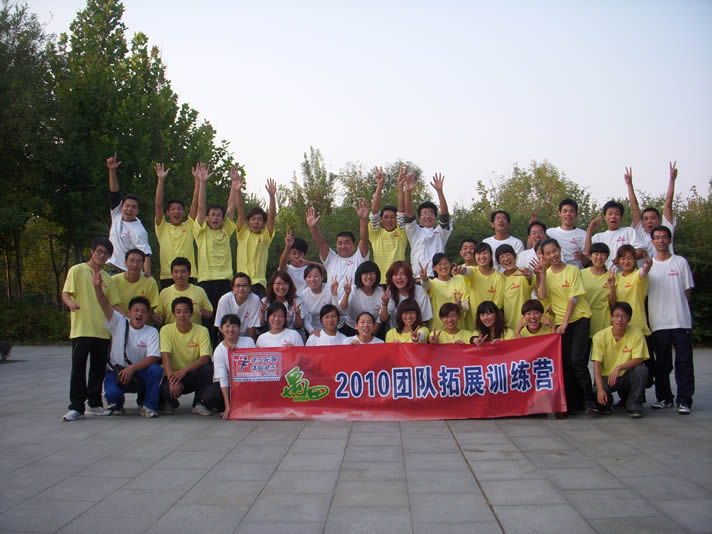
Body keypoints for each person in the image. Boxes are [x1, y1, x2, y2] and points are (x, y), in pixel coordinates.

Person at [535, 238, 594, 415]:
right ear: (543, 256)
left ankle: (589, 400)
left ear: (560, 250)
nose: (552, 255)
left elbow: (573, 298)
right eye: (548, 253)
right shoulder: (547, 274)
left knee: (577, 359)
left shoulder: (573, 270)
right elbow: (542, 296)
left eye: (555, 251)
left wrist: (565, 323)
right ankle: (571, 402)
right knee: (565, 362)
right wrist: (542, 275)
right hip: (561, 322)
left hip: (579, 319)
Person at [93, 273, 162, 418]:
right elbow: (104, 305)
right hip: (117, 371)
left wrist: (132, 368)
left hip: (139, 372)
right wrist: (97, 288)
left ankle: (149, 406)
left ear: (148, 315)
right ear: (129, 312)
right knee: (113, 395)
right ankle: (117, 403)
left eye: (143, 311)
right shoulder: (119, 322)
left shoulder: (151, 331)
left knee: (155, 370)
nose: (139, 314)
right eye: (136, 310)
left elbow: (154, 357)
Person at [61, 237, 115, 421]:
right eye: (99, 251)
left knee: (98, 369)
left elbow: (112, 304)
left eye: (106, 253)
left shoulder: (108, 278)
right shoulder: (77, 270)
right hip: (82, 329)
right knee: (78, 368)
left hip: (102, 330)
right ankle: (76, 406)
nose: (102, 255)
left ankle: (94, 403)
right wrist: (70, 303)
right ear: (92, 251)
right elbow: (65, 293)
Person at [647, 225, 695, 414]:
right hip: (658, 322)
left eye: (664, 237)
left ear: (669, 240)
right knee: (662, 363)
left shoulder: (680, 262)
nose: (661, 241)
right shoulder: (648, 266)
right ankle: (664, 397)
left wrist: (678, 307)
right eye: (657, 238)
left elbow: (687, 291)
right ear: (652, 241)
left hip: (680, 321)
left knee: (684, 362)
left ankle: (685, 400)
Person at [193, 162, 239, 317]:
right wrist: (202, 183)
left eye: (219, 215)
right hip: (206, 280)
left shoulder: (226, 229)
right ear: (207, 218)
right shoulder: (201, 232)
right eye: (212, 215)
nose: (216, 218)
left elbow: (231, 207)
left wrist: (234, 185)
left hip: (225, 281)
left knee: (225, 319)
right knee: (208, 318)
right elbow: (200, 208)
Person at [591, 302, 649, 418]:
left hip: (626, 375)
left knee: (641, 370)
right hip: (607, 377)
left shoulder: (637, 334)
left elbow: (638, 359)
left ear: (629, 319)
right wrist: (600, 389)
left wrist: (619, 367)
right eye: (616, 316)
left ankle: (634, 406)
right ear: (611, 318)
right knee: (597, 393)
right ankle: (606, 403)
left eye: (624, 316)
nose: (620, 320)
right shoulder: (600, 336)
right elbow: (597, 365)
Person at [159, 297, 213, 415]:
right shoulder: (166, 330)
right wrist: (172, 380)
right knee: (166, 390)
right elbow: (165, 356)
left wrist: (183, 371)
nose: (182, 315)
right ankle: (171, 403)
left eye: (185, 311)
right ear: (173, 314)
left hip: (192, 373)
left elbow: (205, 358)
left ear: (191, 313)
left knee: (207, 369)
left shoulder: (202, 331)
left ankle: (198, 403)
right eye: (178, 312)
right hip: (173, 374)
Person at [306, 200, 369, 300]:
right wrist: (313, 228)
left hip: (355, 305)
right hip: (332, 305)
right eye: (339, 243)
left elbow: (364, 240)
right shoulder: (331, 258)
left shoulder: (359, 257)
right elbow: (321, 243)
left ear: (354, 244)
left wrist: (363, 220)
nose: (343, 246)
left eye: (346, 243)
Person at [202, 314, 256, 419]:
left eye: (234, 326)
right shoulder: (219, 350)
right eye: (227, 326)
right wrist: (228, 407)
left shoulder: (248, 342)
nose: (231, 329)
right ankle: (227, 406)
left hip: (247, 383)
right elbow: (223, 379)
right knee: (209, 397)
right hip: (229, 384)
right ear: (221, 329)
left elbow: (254, 366)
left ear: (239, 328)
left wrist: (239, 353)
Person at [233, 167, 277, 297]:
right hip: (241, 282)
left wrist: (272, 196)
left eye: (259, 219)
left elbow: (272, 216)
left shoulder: (266, 237)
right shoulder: (242, 233)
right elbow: (240, 211)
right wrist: (237, 191)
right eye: (253, 219)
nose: (256, 222)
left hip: (258, 284)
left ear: (263, 222)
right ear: (249, 221)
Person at [154, 162, 198, 289]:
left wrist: (198, 180)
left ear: (183, 212)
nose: (176, 212)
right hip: (167, 276)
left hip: (188, 275)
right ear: (168, 212)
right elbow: (158, 205)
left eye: (179, 209)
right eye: (173, 209)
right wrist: (161, 180)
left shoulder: (189, 226)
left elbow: (195, 203)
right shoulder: (162, 227)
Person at [106, 153, 151, 276]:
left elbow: (146, 253)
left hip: (128, 273)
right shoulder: (116, 214)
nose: (129, 209)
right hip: (112, 270)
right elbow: (114, 191)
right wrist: (112, 170)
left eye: (133, 207)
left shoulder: (139, 230)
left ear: (137, 211)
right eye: (127, 206)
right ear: (122, 207)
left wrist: (147, 274)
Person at [625, 163, 677, 264]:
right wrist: (629, 184)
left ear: (659, 220)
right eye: (646, 219)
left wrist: (672, 179)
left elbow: (668, 205)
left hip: (666, 269)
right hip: (644, 273)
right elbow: (635, 208)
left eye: (653, 218)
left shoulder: (665, 230)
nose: (649, 221)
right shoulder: (639, 232)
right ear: (642, 221)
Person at [403, 172, 452, 280]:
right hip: (418, 278)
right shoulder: (414, 231)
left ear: (435, 217)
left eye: (431, 213)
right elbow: (409, 214)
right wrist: (408, 192)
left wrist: (439, 191)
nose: (427, 216)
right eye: (424, 214)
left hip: (438, 278)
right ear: (419, 218)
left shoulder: (441, 232)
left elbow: (444, 215)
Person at [369, 166, 407, 284]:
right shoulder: (376, 234)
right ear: (381, 220)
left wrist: (400, 186)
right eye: (386, 217)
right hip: (380, 282)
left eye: (392, 217)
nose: (389, 220)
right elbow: (374, 211)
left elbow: (401, 211)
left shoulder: (401, 232)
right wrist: (380, 185)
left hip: (399, 282)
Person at [586, 197, 645, 271]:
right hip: (604, 275)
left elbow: (641, 252)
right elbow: (588, 253)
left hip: (626, 275)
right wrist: (589, 231)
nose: (613, 216)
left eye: (617, 214)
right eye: (610, 214)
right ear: (605, 217)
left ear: (621, 217)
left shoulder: (629, 231)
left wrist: (622, 259)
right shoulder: (598, 236)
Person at [608, 245, 652, 339]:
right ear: (618, 260)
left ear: (635, 260)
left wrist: (647, 267)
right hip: (620, 327)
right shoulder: (616, 277)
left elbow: (643, 272)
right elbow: (612, 302)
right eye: (623, 259)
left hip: (637, 326)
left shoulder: (637, 274)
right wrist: (612, 286)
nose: (626, 262)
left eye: (629, 258)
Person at [455, 243, 503, 329]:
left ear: (491, 255)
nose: (482, 256)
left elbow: (498, 303)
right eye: (479, 254)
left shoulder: (499, 277)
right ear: (475, 256)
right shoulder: (473, 271)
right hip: (472, 322)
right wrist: (461, 270)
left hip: (491, 323)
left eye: (485, 253)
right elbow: (466, 271)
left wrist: (486, 317)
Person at [156, 257, 212, 325]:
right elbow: (159, 316)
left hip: (195, 331)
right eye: (176, 272)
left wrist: (205, 313)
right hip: (171, 331)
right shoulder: (164, 293)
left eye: (183, 272)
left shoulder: (199, 291)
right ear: (171, 273)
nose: (179, 276)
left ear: (189, 273)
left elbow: (209, 312)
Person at [422, 253, 469, 332]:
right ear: (434, 268)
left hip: (458, 329)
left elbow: (466, 306)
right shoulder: (432, 283)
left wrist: (460, 306)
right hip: (438, 329)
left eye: (446, 263)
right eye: (440, 264)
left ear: (450, 264)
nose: (443, 267)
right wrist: (424, 278)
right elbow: (425, 285)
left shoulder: (460, 282)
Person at [108, 249, 159, 318]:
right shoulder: (113, 280)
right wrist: (126, 321)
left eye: (139, 261)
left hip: (140, 321)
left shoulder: (150, 282)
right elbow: (112, 304)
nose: (135, 265)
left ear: (143, 264)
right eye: (131, 261)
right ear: (125, 263)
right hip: (117, 320)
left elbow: (150, 309)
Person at [382, 261, 433, 328]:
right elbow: (383, 319)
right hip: (397, 332)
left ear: (409, 276)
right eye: (395, 275)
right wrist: (384, 304)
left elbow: (424, 320)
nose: (399, 277)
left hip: (418, 331)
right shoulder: (389, 294)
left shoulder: (420, 291)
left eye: (402, 274)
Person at [340, 261, 384, 336]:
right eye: (365, 273)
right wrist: (347, 294)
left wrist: (371, 334)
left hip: (373, 329)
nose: (369, 276)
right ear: (359, 275)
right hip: (352, 328)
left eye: (372, 273)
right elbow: (342, 308)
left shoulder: (381, 292)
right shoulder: (353, 290)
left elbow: (381, 318)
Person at [213, 273, 262, 341]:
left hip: (247, 337)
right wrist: (229, 343)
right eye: (238, 285)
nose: (241, 288)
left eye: (244, 285)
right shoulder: (224, 299)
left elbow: (252, 327)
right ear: (233, 288)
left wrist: (250, 345)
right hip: (228, 336)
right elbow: (222, 326)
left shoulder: (255, 299)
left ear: (249, 288)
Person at [496, 244, 534, 331]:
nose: (506, 259)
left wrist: (530, 275)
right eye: (502, 257)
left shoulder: (523, 272)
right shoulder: (499, 279)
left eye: (508, 255)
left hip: (528, 325)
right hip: (509, 328)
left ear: (515, 256)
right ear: (499, 262)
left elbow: (536, 285)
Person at [580, 243, 612, 340]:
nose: (599, 257)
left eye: (603, 254)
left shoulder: (612, 276)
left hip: (604, 322)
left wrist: (612, 286)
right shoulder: (580, 274)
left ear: (607, 257)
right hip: (583, 321)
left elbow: (613, 302)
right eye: (596, 254)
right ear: (590, 256)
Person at [298, 265, 339, 336]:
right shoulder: (304, 294)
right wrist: (312, 331)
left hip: (331, 327)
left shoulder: (330, 289)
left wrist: (334, 295)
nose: (312, 279)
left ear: (322, 277)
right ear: (305, 279)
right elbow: (305, 318)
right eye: (309, 277)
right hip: (313, 329)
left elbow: (336, 311)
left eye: (316, 276)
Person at [547, 199, 589, 269]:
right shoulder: (550, 232)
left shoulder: (583, 234)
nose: (568, 214)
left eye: (571, 211)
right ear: (559, 213)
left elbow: (588, 261)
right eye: (565, 211)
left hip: (577, 272)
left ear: (576, 214)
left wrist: (582, 257)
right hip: (556, 272)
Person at [278, 229, 320, 294]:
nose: (297, 256)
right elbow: (282, 266)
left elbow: (325, 268)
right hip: (291, 299)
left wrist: (308, 263)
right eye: (294, 253)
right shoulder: (287, 268)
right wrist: (287, 247)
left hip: (307, 299)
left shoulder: (309, 269)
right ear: (288, 255)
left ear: (304, 255)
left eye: (300, 253)